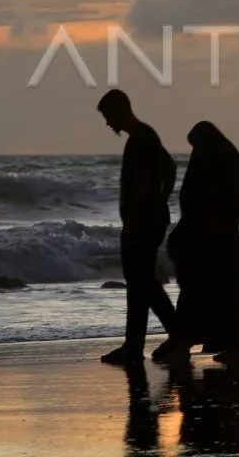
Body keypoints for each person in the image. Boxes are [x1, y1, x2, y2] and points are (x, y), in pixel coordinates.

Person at [96, 89, 182, 365]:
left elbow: (157, 177)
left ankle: (141, 345)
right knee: (143, 284)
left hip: (143, 223)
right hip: (147, 220)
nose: (108, 123)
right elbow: (169, 168)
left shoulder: (142, 138)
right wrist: (162, 200)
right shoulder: (143, 136)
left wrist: (148, 209)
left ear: (121, 110)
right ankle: (164, 338)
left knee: (141, 284)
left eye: (109, 116)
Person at [166, 121, 239, 364]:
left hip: (215, 241)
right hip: (215, 240)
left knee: (204, 294)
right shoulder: (225, 159)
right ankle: (228, 347)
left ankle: (189, 345)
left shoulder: (221, 163)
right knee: (225, 296)